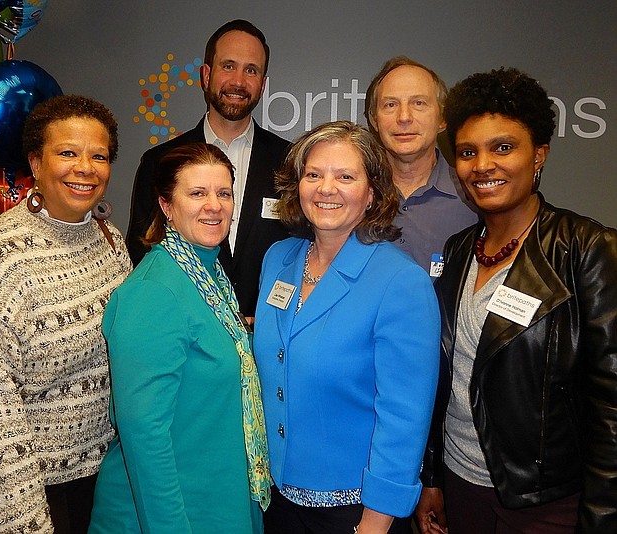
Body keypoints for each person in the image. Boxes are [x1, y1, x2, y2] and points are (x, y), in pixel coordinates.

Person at [416, 68, 617, 534]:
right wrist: (433, 478)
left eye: (502, 147)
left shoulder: (588, 250)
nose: (482, 165)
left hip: (546, 501)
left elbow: (611, 405)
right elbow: (445, 372)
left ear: (539, 154)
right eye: (468, 152)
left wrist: (603, 515)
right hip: (462, 484)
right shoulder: (459, 249)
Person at [0, 95, 132, 533]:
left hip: (95, 478)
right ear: (35, 162)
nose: (85, 167)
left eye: (98, 155)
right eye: (67, 152)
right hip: (18, 494)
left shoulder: (109, 239)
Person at [254, 121, 440, 534]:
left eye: (345, 176)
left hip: (352, 512)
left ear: (372, 192)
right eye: (313, 174)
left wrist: (375, 523)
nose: (326, 188)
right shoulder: (277, 259)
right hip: (274, 500)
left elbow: (404, 416)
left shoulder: (400, 282)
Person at [88, 143, 271, 534]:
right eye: (197, 193)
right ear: (167, 206)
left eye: (223, 193)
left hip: (217, 496)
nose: (214, 206)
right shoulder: (155, 291)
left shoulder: (209, 276)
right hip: (168, 512)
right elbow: (144, 434)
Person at [127, 19, 290, 319]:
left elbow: (304, 253)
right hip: (187, 336)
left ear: (263, 84)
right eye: (228, 66)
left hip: (269, 341)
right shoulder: (160, 161)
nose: (239, 81)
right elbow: (142, 254)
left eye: (251, 70)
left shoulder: (291, 162)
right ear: (206, 75)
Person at [364, 56, 477, 277]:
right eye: (390, 105)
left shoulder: (474, 195)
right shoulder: (349, 195)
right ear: (374, 120)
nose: (404, 117)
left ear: (443, 118)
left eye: (419, 103)